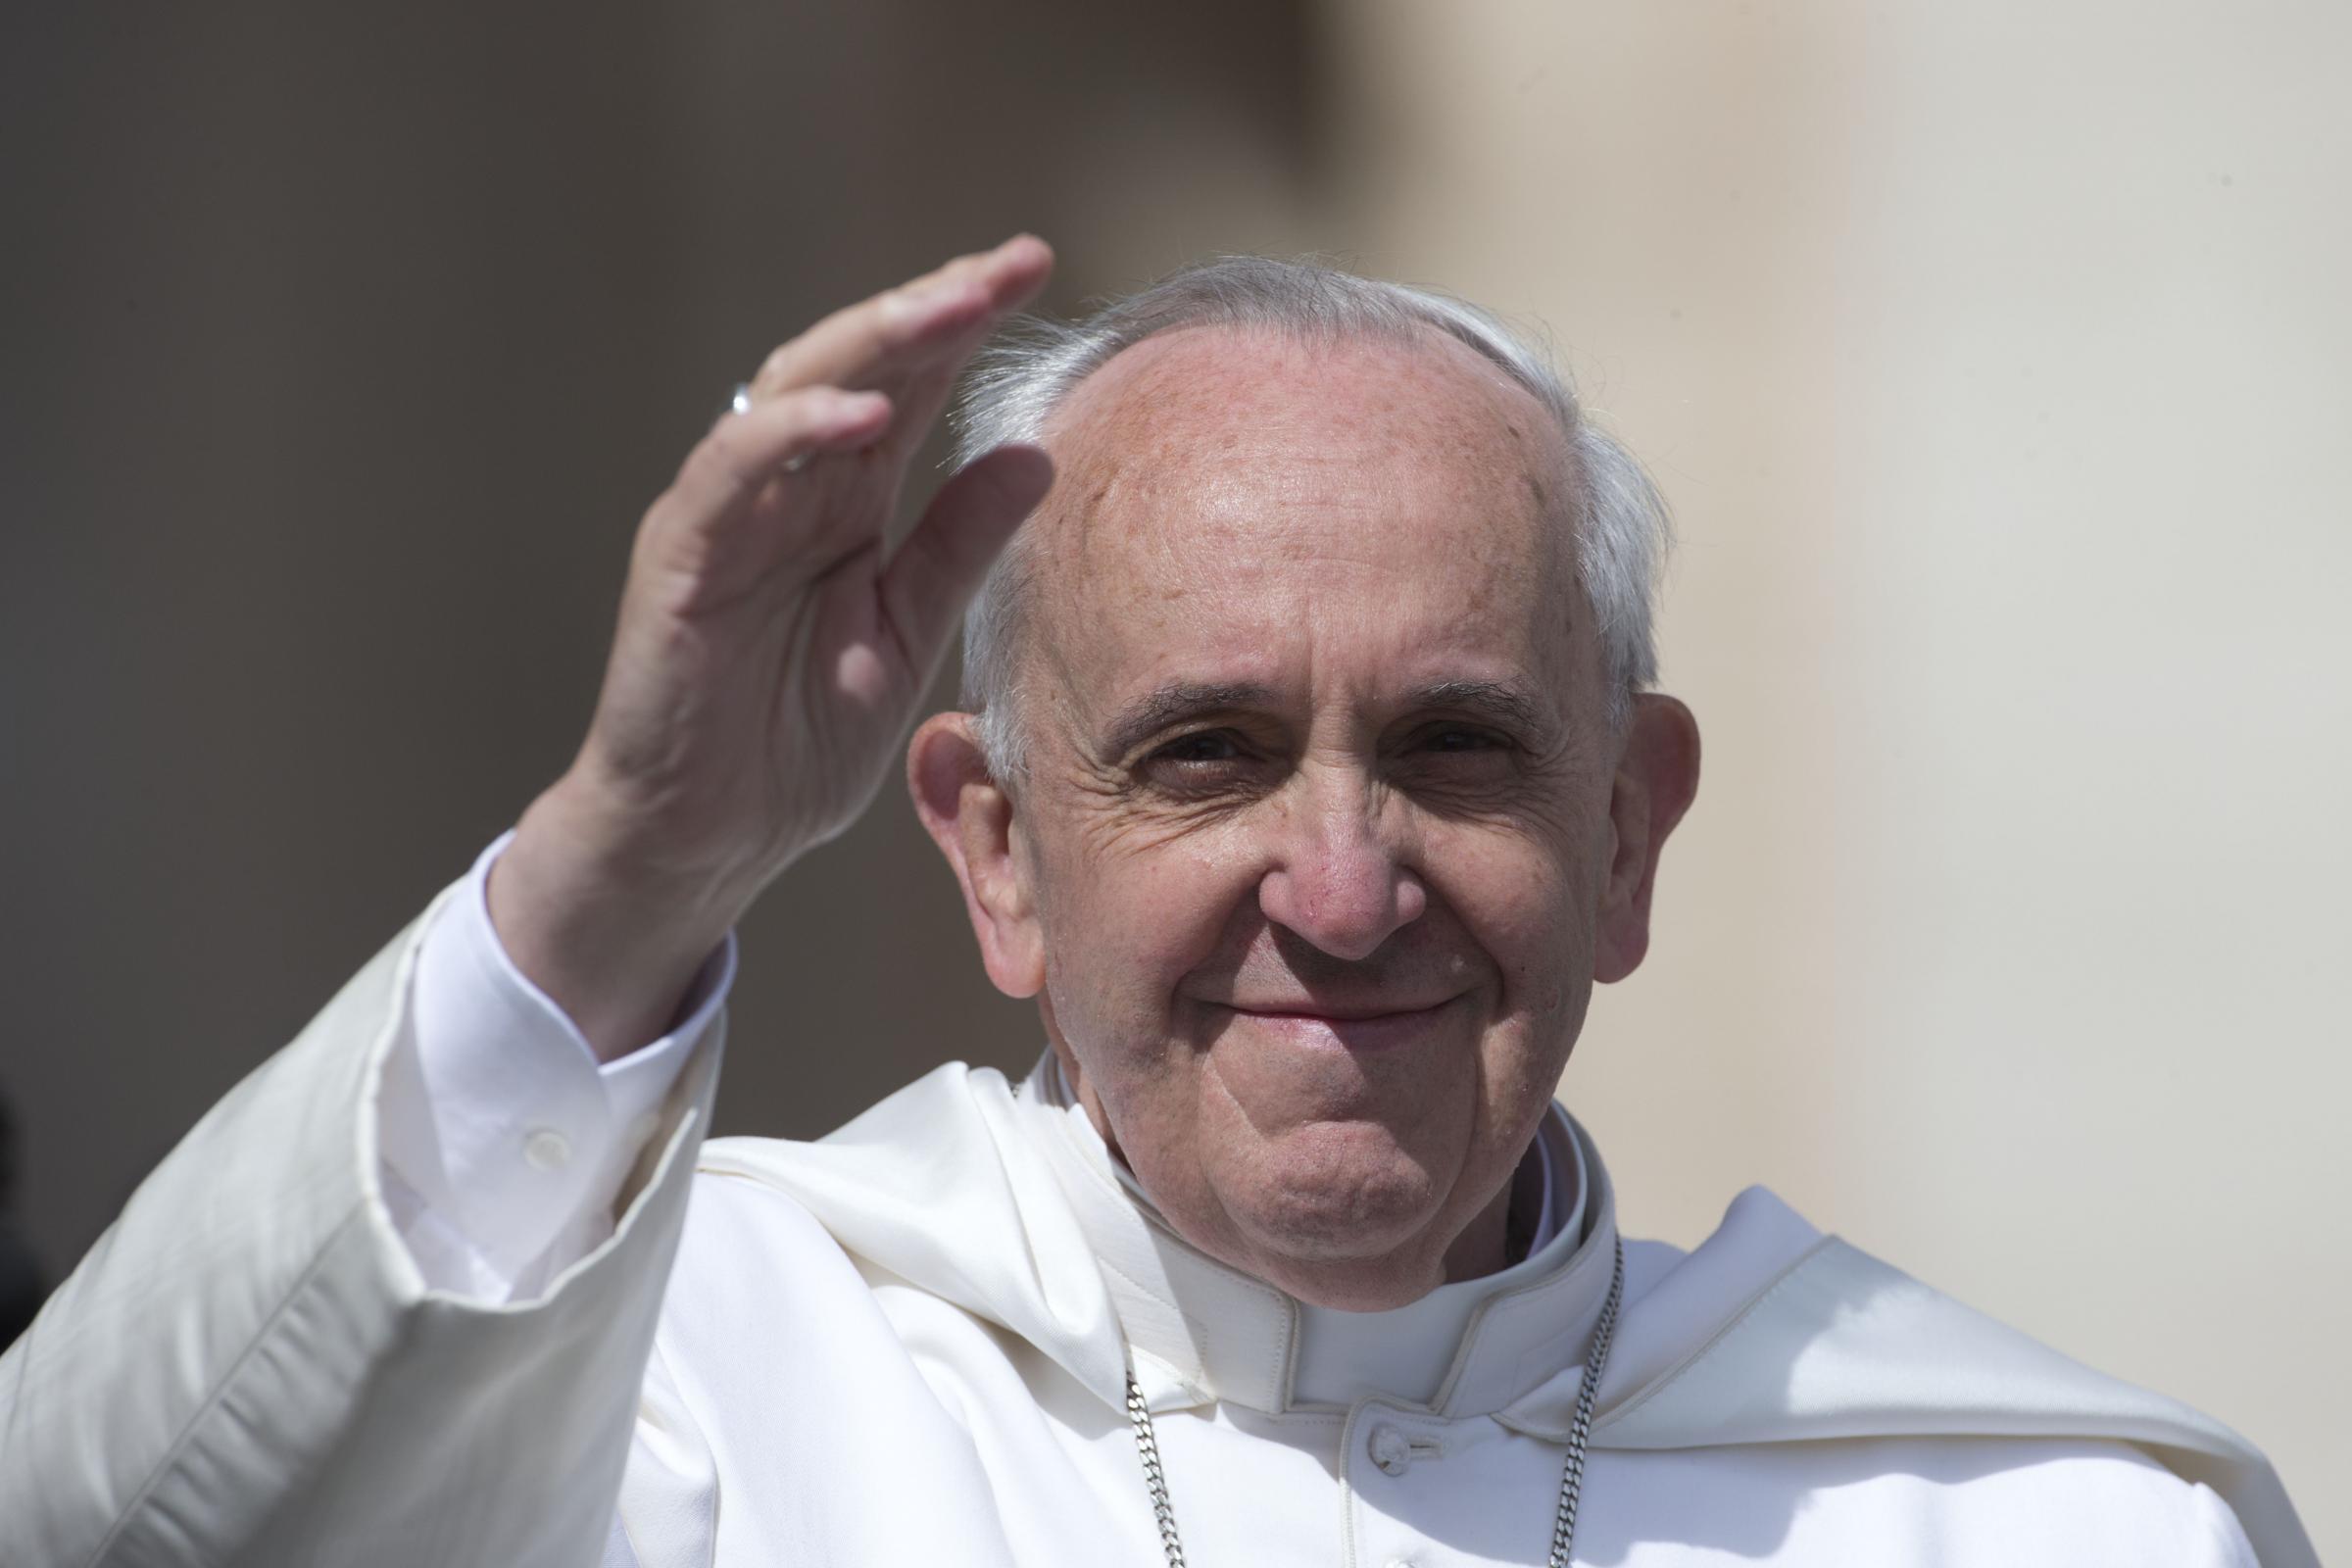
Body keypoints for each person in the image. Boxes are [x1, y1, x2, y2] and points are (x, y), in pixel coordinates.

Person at [0, 237, 2315, 1567]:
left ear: (1628, 838)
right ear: (998, 849)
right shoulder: (661, 1386)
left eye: (1458, 745)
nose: (1339, 880)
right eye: (1203, 751)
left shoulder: (2032, 1522)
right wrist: (626, 869)